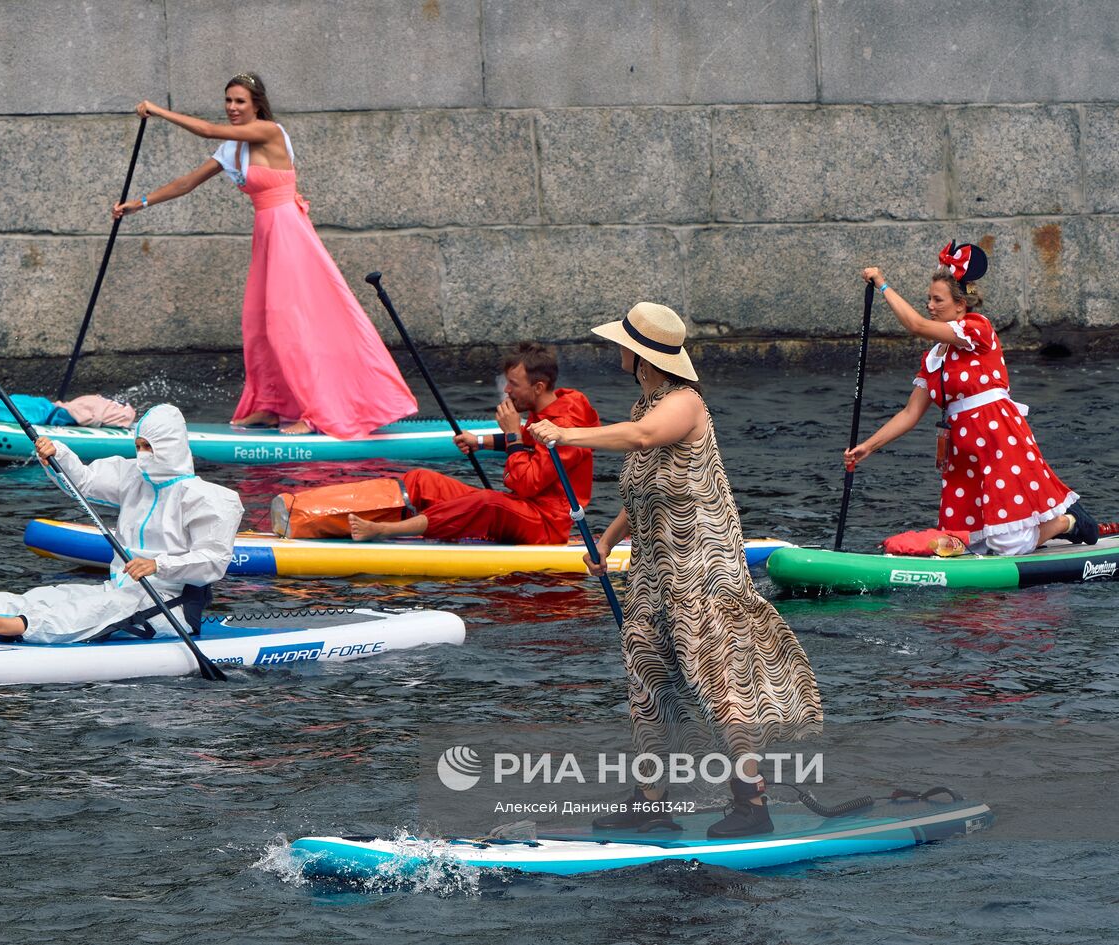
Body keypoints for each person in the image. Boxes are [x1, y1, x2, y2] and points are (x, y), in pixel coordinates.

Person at [531, 303, 822, 839]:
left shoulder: (684, 405)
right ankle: (650, 799)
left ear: (640, 354)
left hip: (702, 574)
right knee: (646, 682)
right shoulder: (648, 403)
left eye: (622, 344)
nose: (616, 351)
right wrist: (609, 543)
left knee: (718, 685)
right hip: (651, 574)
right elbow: (645, 487)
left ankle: (752, 802)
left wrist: (566, 436)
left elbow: (642, 439)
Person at [111, 73, 417, 438]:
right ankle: (273, 406)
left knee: (289, 324)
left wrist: (159, 110)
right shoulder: (233, 148)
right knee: (258, 324)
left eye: (240, 101)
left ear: (256, 104)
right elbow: (187, 182)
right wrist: (139, 204)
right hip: (267, 235)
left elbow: (208, 130)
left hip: (289, 233)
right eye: (228, 101)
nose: (232, 108)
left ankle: (314, 411)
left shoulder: (269, 131)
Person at [849, 242, 1097, 555]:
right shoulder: (933, 358)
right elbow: (910, 413)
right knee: (973, 541)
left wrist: (882, 284)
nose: (930, 305)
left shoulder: (977, 330)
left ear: (960, 305)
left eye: (937, 300)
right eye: (928, 299)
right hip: (962, 455)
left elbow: (915, 325)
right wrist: (867, 447)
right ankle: (1036, 527)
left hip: (997, 440)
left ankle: (1068, 522)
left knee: (1008, 545)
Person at [0, 405, 243, 645]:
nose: (142, 453)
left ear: (171, 447)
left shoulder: (207, 499)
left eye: (149, 447)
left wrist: (158, 565)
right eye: (138, 445)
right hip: (121, 589)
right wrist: (57, 457)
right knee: (53, 596)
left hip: (170, 606)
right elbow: (85, 482)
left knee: (96, 609)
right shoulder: (132, 476)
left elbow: (213, 561)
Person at [347, 342, 599, 545]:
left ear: (538, 387)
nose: (507, 390)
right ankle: (353, 511)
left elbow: (526, 484)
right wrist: (479, 441)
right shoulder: (554, 406)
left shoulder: (566, 424)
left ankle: (385, 530)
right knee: (424, 479)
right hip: (526, 509)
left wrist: (511, 434)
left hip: (547, 525)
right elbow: (531, 440)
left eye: (514, 384)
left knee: (487, 503)